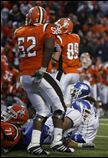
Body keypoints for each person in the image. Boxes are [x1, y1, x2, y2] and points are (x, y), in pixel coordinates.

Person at [14, 6, 74, 155]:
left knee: (42, 111)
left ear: (30, 17)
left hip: (25, 76)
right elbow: (48, 46)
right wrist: (42, 68)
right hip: (39, 74)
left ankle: (34, 144)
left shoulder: (19, 31)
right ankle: (57, 142)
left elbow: (32, 47)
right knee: (60, 108)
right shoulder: (48, 27)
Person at [52, 17, 81, 106]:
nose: (57, 28)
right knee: (67, 102)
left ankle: (55, 118)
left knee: (57, 97)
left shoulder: (60, 39)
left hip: (65, 72)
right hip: (76, 73)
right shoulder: (76, 37)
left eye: (59, 26)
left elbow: (56, 58)